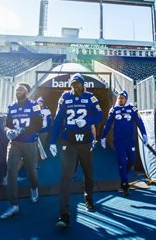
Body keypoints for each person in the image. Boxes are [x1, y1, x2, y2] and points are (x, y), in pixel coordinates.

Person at [49, 73, 103, 228]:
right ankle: (64, 214)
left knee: (88, 173)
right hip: (69, 141)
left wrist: (86, 121)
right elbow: (58, 119)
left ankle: (89, 198)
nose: (75, 86)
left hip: (85, 140)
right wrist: (53, 141)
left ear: (83, 84)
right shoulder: (65, 97)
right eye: (73, 84)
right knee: (66, 177)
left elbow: (99, 115)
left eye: (78, 83)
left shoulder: (90, 97)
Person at [0, 82, 43, 220]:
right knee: (11, 169)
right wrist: (8, 131)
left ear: (27, 92)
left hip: (29, 142)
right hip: (15, 143)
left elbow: (39, 124)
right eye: (17, 89)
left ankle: (34, 187)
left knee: (32, 171)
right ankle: (13, 204)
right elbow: (7, 124)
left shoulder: (33, 105)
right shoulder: (12, 106)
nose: (17, 91)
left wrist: (23, 129)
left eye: (20, 89)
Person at [100, 90, 147, 196]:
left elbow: (140, 122)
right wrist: (103, 136)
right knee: (122, 162)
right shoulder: (113, 109)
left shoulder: (132, 109)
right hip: (119, 140)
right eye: (119, 98)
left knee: (132, 160)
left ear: (126, 99)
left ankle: (123, 174)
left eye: (122, 98)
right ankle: (124, 184)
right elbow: (108, 124)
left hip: (129, 140)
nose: (120, 99)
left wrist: (144, 133)